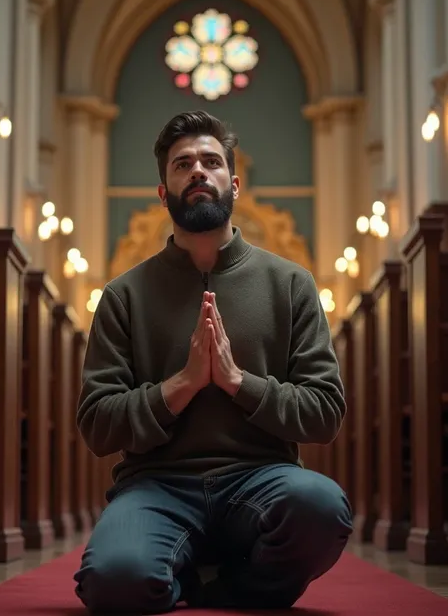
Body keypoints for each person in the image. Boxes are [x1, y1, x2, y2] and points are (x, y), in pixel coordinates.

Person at [74, 110, 353, 614]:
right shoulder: (123, 295)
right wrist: (180, 385)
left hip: (261, 480)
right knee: (114, 582)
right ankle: (175, 566)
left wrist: (236, 382)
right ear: (163, 193)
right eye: (182, 165)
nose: (198, 171)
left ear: (235, 183)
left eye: (211, 161)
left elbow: (326, 412)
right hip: (157, 485)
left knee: (321, 506)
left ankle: (228, 587)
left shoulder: (291, 284)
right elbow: (96, 425)